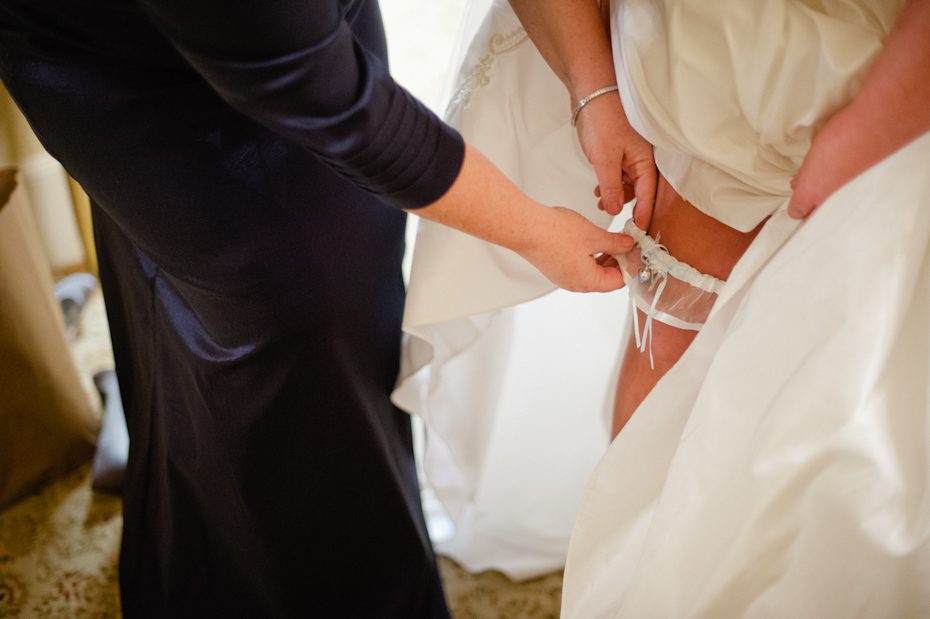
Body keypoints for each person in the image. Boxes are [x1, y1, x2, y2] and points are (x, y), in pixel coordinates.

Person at [0, 1, 634, 616]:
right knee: (293, 350)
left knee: (282, 332)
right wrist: (536, 232)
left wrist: (592, 88)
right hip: (155, 94)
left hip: (278, 46)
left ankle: (194, 516)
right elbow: (331, 99)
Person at [399, 0, 930, 614]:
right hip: (724, 62)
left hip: (859, 64)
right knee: (672, 351)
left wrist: (869, 132)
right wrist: (594, 89)